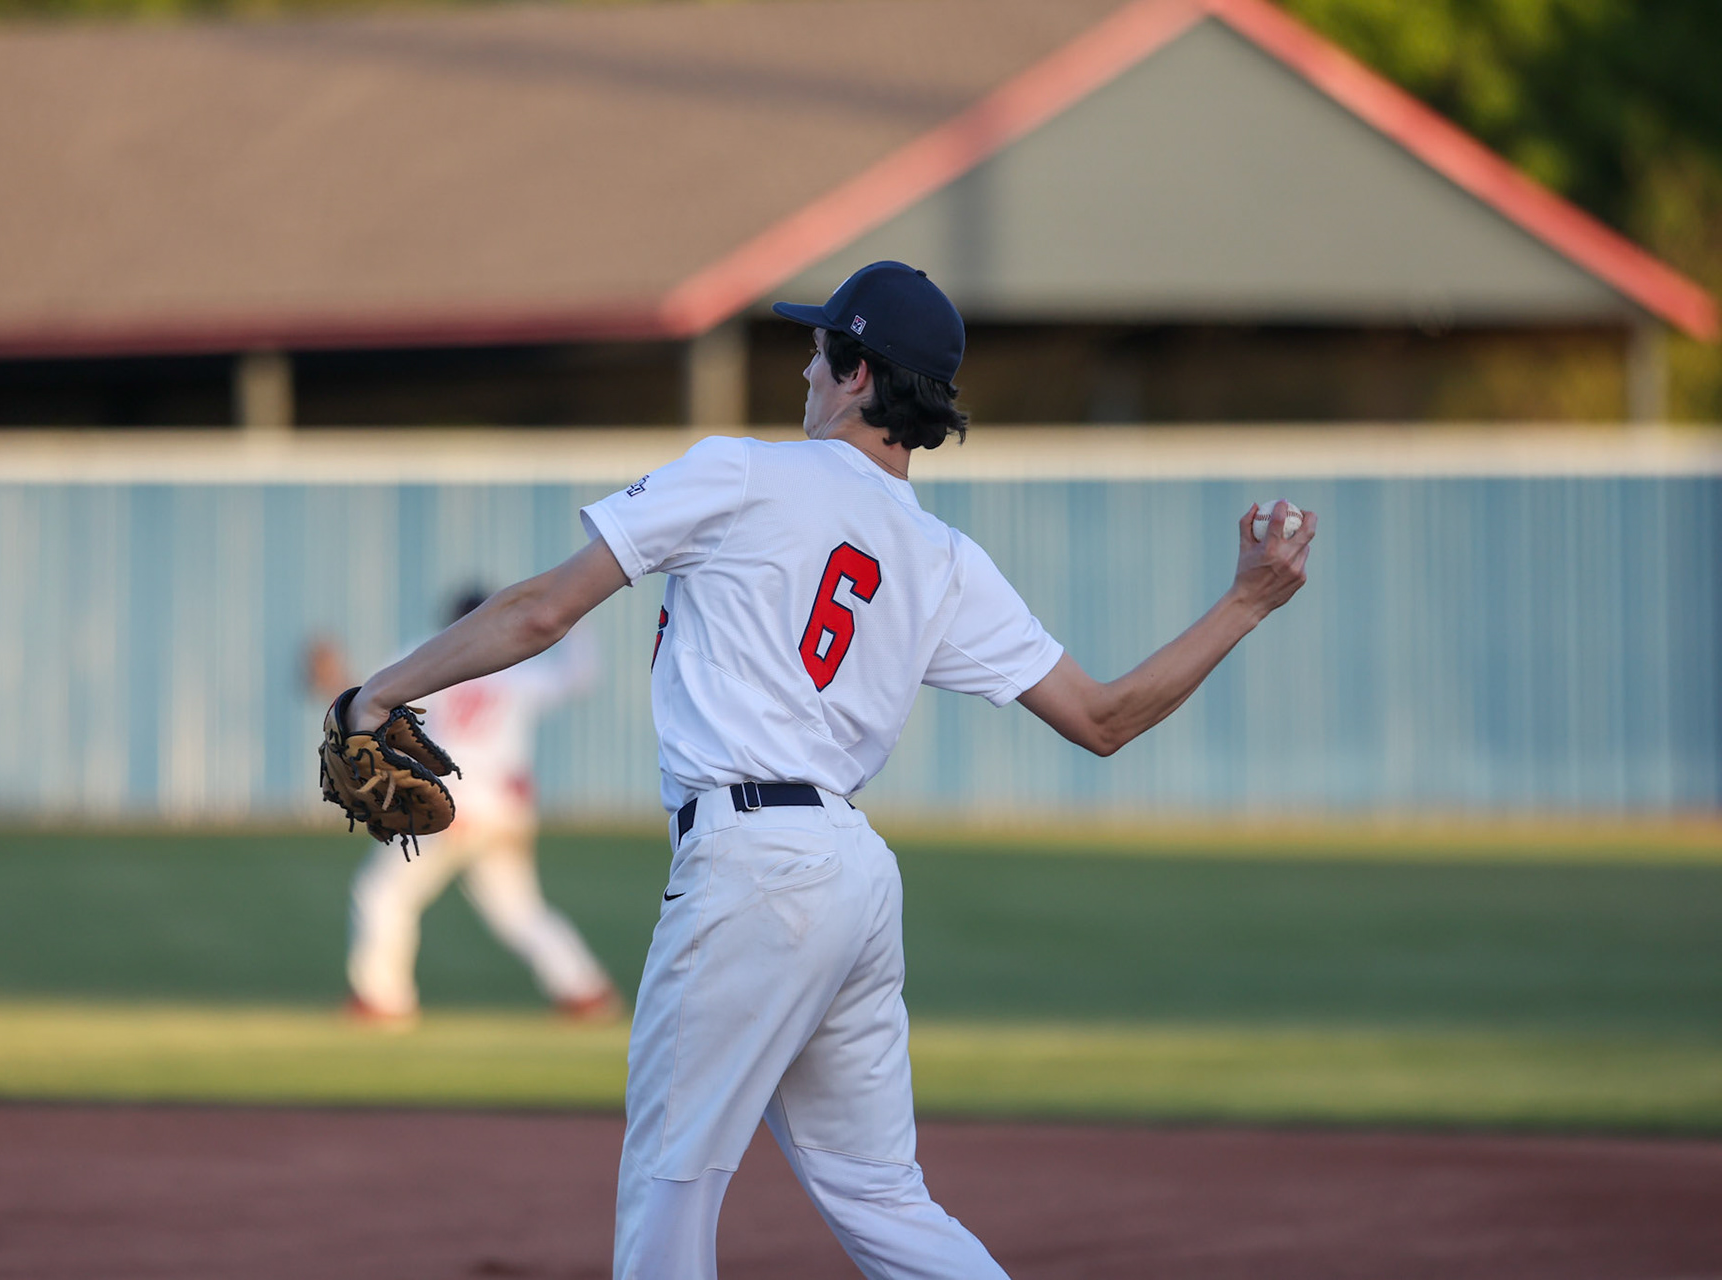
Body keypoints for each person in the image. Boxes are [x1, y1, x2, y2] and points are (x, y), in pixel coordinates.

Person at [344, 261, 1315, 1278]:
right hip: (850, 871)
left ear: (856, 374)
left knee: (669, 1180)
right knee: (883, 1194)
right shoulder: (944, 557)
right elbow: (1106, 717)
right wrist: (1243, 604)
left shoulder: (744, 471)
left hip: (751, 863)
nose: (805, 370)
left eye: (818, 352)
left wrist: (372, 694)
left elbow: (540, 609)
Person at [342, 589, 623, 1025]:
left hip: (450, 805)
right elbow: (581, 677)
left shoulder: (429, 659)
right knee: (518, 910)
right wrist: (579, 622)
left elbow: (371, 694)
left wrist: (332, 680)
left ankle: (383, 1001)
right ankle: (586, 992)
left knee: (383, 893)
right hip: (505, 809)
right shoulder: (516, 669)